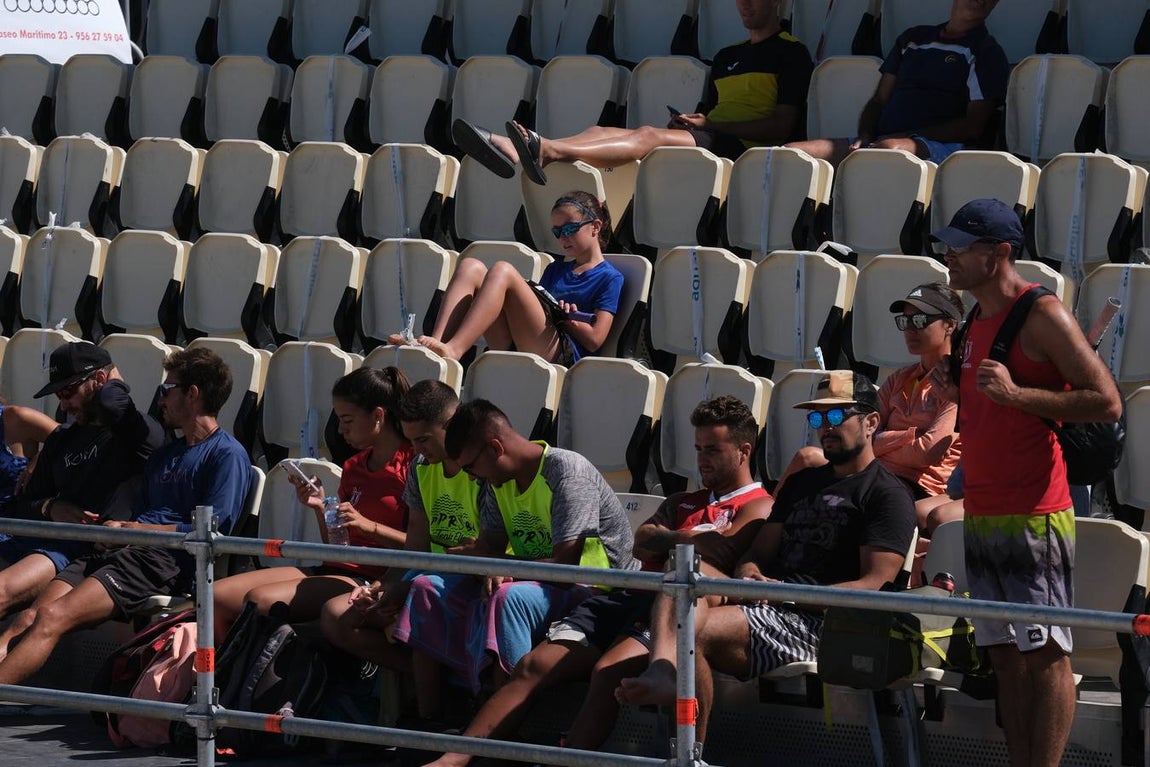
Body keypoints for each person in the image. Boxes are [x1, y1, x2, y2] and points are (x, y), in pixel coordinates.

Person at [421, 396, 773, 767]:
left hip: (669, 607)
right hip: (626, 595)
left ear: (744, 450)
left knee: (606, 672)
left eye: (713, 449)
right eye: (698, 448)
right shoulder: (683, 500)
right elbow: (644, 540)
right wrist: (685, 538)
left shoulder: (758, 506)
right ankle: (453, 760)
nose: (702, 459)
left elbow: (720, 550)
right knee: (532, 667)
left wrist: (670, 538)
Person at [616, 372, 917, 745]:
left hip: (818, 621)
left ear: (871, 422)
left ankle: (690, 749)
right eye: (817, 418)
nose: (825, 427)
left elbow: (874, 585)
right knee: (685, 569)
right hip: (768, 604)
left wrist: (787, 595)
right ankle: (664, 672)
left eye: (837, 417)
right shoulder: (804, 483)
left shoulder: (887, 495)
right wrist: (750, 574)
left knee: (693, 632)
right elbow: (756, 554)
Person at [927, 197, 1123, 767]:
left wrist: (1017, 394)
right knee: (1005, 655)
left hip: (1035, 510)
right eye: (948, 245)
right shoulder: (972, 320)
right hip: (985, 509)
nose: (949, 256)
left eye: (961, 247)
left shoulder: (1043, 313)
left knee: (1046, 656)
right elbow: (985, 408)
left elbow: (1106, 402)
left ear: (1000, 254)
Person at [0, 347, 250, 681]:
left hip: (159, 560)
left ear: (192, 394)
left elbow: (213, 531)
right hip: (116, 549)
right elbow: (141, 510)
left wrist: (132, 530)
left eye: (167, 390)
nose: (159, 399)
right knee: (31, 619)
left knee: (51, 617)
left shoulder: (226, 454)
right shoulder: (166, 454)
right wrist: (117, 531)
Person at [452, 0, 811, 184]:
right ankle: (525, 150)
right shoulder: (727, 56)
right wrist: (698, 121)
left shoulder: (791, 51)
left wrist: (715, 127)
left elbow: (781, 127)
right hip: (716, 137)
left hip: (749, 150)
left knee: (648, 135)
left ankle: (545, 149)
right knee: (599, 131)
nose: (745, 4)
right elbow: (714, 115)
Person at [439, 399, 639, 692]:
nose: (470, 478)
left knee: (509, 598)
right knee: (430, 588)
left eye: (471, 467)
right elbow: (490, 550)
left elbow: (566, 570)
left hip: (600, 592)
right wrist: (479, 560)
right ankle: (432, 714)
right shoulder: (498, 481)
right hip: (540, 583)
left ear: (495, 449)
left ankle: (506, 706)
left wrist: (500, 566)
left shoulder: (567, 473)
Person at [320, 379, 483, 722]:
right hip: (432, 576)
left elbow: (488, 552)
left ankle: (430, 719)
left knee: (421, 595)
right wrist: (384, 586)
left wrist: (403, 585)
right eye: (412, 441)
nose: (418, 450)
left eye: (424, 439)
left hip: (471, 581)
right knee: (345, 615)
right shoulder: (421, 469)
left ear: (451, 426)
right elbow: (416, 550)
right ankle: (432, 699)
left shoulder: (481, 471)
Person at [213, 367, 415, 643]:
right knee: (214, 595)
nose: (340, 430)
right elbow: (337, 545)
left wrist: (371, 528)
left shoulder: (413, 467)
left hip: (372, 578)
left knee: (258, 602)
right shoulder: (354, 466)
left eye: (347, 420)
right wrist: (320, 508)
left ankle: (246, 681)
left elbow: (421, 548)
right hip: (333, 567)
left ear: (378, 416)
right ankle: (219, 679)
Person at [0, 342, 164, 623]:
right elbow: (23, 505)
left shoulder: (134, 435)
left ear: (100, 380)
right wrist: (51, 507)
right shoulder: (62, 439)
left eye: (67, 391)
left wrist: (114, 380)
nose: (63, 404)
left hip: (75, 550)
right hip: (38, 537)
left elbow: (113, 405)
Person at [776, 282, 964, 510]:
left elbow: (926, 453)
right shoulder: (899, 378)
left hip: (918, 485)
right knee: (806, 458)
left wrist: (882, 440)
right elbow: (861, 434)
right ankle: (763, 523)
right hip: (875, 472)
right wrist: (909, 436)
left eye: (920, 320)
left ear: (950, 325)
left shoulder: (953, 382)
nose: (910, 329)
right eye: (905, 321)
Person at [389, 192, 624, 365]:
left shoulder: (610, 277)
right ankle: (435, 343)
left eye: (570, 229)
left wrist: (566, 319)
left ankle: (454, 350)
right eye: (556, 231)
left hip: (562, 353)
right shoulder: (556, 269)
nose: (562, 237)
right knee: (471, 266)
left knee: (503, 270)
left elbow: (595, 340)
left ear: (595, 227)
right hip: (527, 341)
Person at [787, 0, 1008, 166]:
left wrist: (907, 136)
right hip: (881, 141)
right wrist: (865, 135)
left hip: (941, 148)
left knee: (887, 151)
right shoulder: (913, 38)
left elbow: (973, 126)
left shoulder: (986, 51)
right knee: (790, 154)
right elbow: (879, 99)